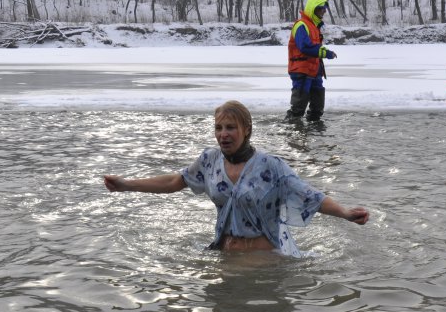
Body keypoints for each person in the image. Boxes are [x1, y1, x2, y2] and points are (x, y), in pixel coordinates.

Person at [104, 100, 369, 257]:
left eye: (230, 127)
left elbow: (312, 197)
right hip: (226, 253)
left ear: (247, 129)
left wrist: (345, 213)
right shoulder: (209, 161)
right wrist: (127, 185)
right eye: (218, 128)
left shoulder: (271, 167)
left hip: (264, 258)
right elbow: (176, 181)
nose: (223, 134)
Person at [286, 0, 337, 122]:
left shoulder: (315, 27)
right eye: (321, 8)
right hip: (302, 71)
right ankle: (291, 132)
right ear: (313, 9)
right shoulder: (301, 25)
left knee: (317, 109)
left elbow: (313, 48)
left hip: (315, 71)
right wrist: (326, 53)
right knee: (298, 109)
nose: (324, 11)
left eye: (325, 8)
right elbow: (304, 46)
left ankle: (316, 136)